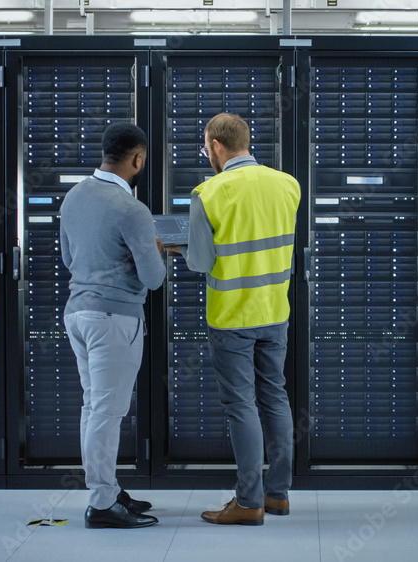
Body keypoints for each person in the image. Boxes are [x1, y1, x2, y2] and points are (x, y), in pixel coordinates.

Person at [177, 112, 300, 526]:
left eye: (205, 147)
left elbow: (199, 260)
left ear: (214, 145)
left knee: (241, 406)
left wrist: (177, 246)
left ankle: (248, 502)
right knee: (275, 398)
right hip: (274, 311)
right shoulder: (287, 185)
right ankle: (277, 495)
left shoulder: (208, 192)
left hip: (232, 316)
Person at [60, 122, 166, 529]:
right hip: (114, 318)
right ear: (137, 158)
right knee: (107, 410)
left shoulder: (73, 197)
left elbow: (70, 260)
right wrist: (154, 249)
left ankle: (108, 488)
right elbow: (154, 278)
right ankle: (102, 503)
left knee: (94, 406)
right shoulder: (131, 209)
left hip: (78, 314)